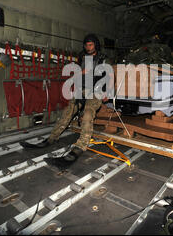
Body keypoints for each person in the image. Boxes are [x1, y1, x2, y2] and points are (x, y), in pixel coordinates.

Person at [23, 34, 111, 169]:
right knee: (68, 113)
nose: (88, 47)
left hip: (97, 92)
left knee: (87, 114)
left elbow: (110, 76)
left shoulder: (103, 59)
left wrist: (108, 92)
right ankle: (52, 137)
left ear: (96, 45)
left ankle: (81, 146)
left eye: (91, 44)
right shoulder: (82, 57)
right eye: (86, 44)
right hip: (82, 91)